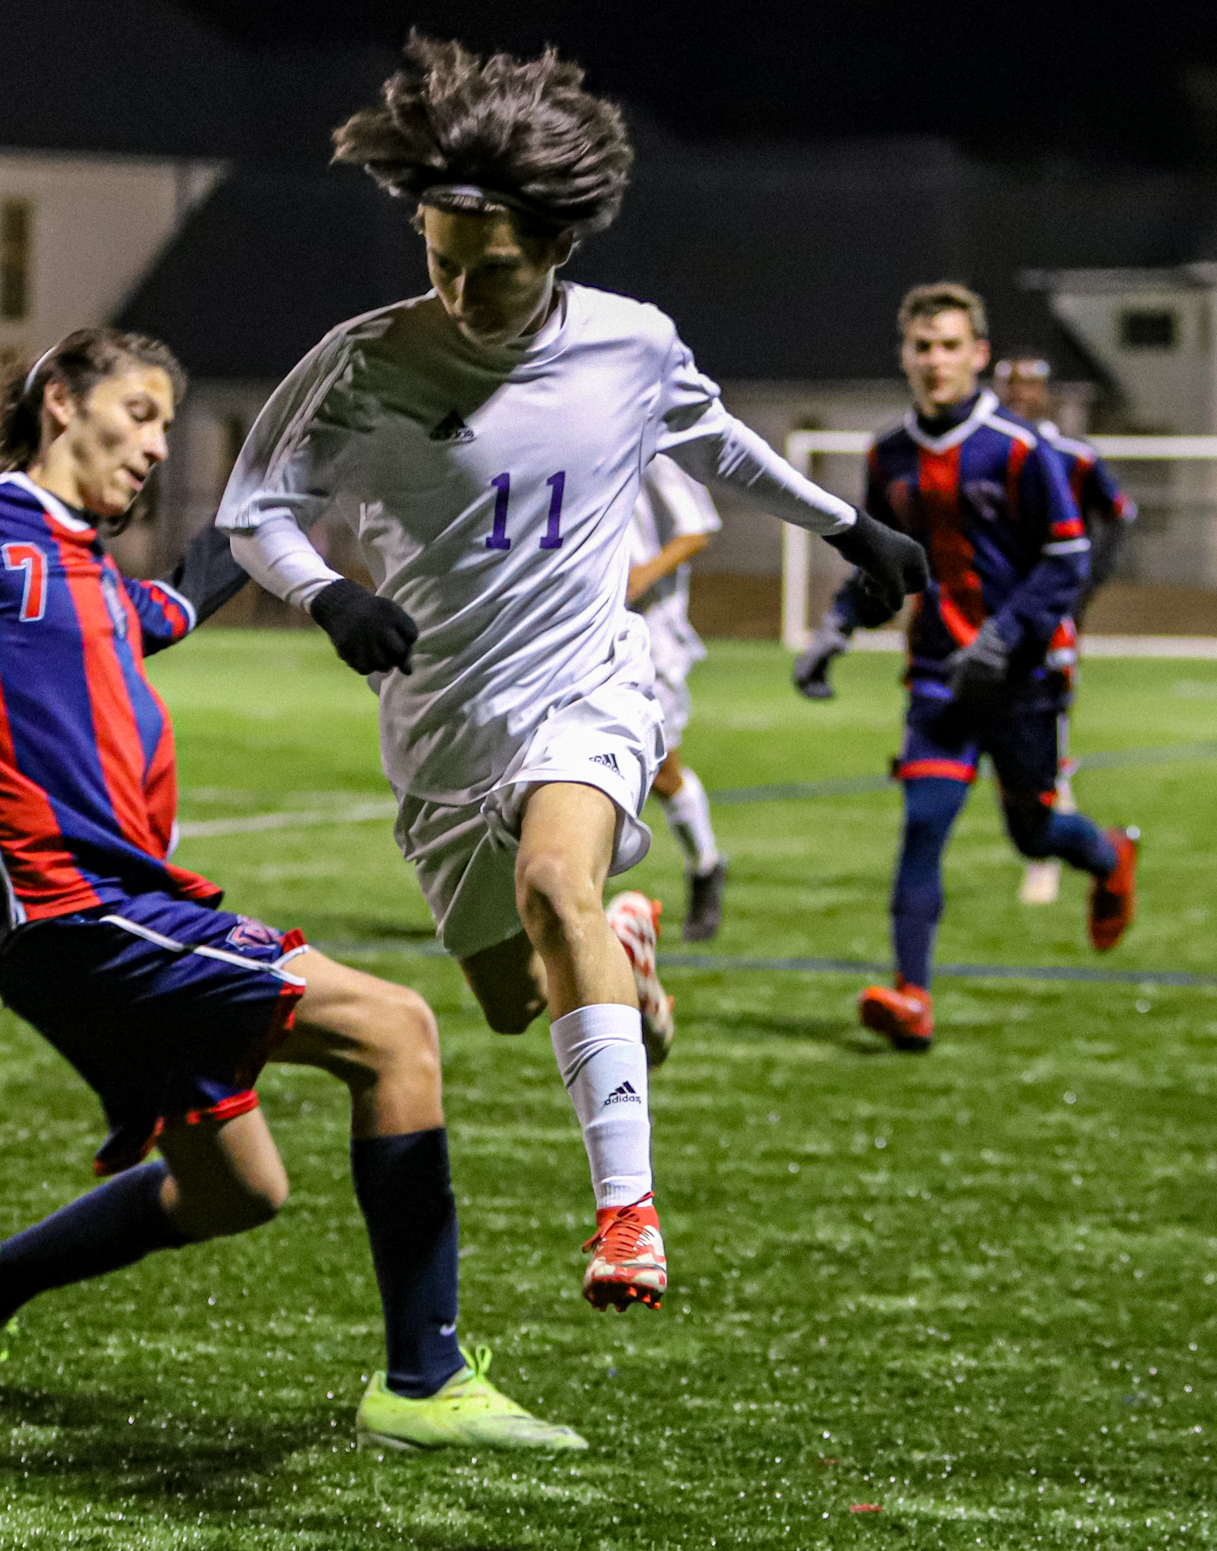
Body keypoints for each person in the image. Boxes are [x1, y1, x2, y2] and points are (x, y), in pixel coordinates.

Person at [0, 326, 585, 1453]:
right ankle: (423, 1379)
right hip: (73, 911)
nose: (158, 444)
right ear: (62, 400)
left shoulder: (100, 587)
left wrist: (314, 496)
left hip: (93, 925)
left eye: (170, 425)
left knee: (235, 1191)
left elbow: (187, 587)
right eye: (141, 413)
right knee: (395, 1033)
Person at [217, 38, 927, 1312]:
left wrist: (842, 528)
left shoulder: (630, 346)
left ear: (555, 248)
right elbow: (253, 508)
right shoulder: (363, 360)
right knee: (507, 998)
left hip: (584, 686)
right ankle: (627, 954)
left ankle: (626, 1218)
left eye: (487, 271)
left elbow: (719, 445)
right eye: (438, 261)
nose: (459, 293)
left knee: (554, 879)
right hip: (440, 728)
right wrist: (323, 592)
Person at [791, 285, 1137, 1052]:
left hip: (1024, 680)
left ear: (978, 355)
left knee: (1035, 831)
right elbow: (886, 570)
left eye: (950, 345)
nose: (935, 360)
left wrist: (1006, 634)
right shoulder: (888, 456)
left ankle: (1112, 855)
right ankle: (913, 995)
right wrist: (837, 627)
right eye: (922, 346)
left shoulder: (1020, 446)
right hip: (940, 678)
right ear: (905, 357)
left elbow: (1068, 556)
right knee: (923, 826)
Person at [992, 356, 1139, 906]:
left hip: (1046, 626)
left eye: (1029, 385)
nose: (1020, 394)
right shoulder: (985, 451)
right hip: (984, 619)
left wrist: (1083, 589)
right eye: (1010, 385)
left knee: (1045, 740)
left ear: (1046, 393)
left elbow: (1121, 512)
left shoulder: (1073, 456)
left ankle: (1050, 857)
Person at [629, 456, 729, 941]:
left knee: (660, 773)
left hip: (650, 634)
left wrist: (640, 576)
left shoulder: (652, 438)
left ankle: (705, 864)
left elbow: (696, 528)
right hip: (576, 632)